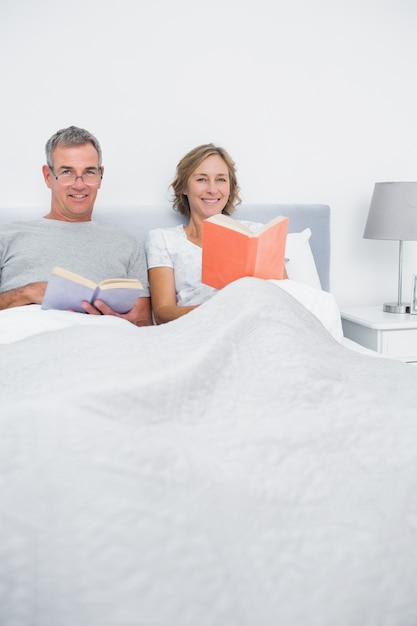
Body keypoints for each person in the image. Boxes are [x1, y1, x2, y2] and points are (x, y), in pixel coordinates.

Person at [0, 126, 152, 326]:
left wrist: (120, 322)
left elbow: (144, 324)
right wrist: (27, 293)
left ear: (100, 176)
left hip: (101, 341)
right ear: (48, 176)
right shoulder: (8, 235)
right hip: (23, 336)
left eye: (89, 172)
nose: (79, 185)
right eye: (67, 172)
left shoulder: (128, 244)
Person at [145, 143, 263, 324]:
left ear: (230, 187)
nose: (212, 189)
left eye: (221, 180)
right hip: (197, 330)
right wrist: (217, 311)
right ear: (184, 187)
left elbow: (282, 296)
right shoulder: (163, 240)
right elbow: (162, 313)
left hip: (253, 326)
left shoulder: (255, 233)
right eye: (201, 179)